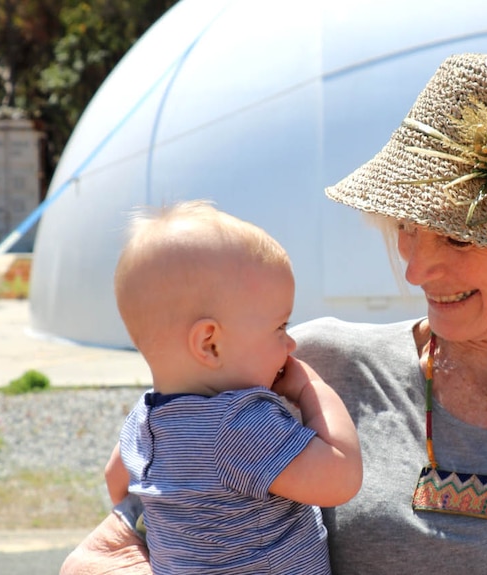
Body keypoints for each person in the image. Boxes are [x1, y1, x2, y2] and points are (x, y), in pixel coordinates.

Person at [61, 52, 487, 575]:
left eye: (455, 237)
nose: (417, 271)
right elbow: (125, 535)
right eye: (405, 229)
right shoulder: (311, 360)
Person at [98, 200, 362, 574]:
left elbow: (116, 481)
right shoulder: (238, 424)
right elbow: (340, 478)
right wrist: (312, 389)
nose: (290, 345)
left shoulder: (144, 420)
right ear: (210, 344)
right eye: (280, 327)